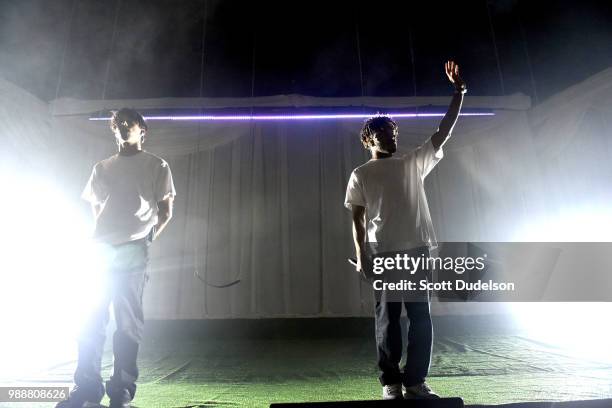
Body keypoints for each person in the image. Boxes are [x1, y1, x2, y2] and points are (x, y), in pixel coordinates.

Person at [344, 61, 466, 400]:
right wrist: (362, 257)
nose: (391, 137)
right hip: (383, 253)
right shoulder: (361, 174)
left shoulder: (413, 163)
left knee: (420, 319)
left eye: (394, 133)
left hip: (417, 252)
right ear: (369, 139)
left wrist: (459, 91)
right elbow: (356, 219)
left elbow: (444, 130)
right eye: (384, 133)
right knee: (388, 321)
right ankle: (391, 384)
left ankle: (414, 382)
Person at [57, 108, 176, 408]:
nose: (124, 127)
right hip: (100, 251)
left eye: (130, 123)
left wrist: (145, 240)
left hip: (133, 252)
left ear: (141, 130)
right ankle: (86, 389)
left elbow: (166, 211)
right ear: (113, 131)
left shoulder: (157, 165)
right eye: (118, 124)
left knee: (126, 325)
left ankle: (121, 392)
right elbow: (95, 208)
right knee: (90, 320)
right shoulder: (103, 167)